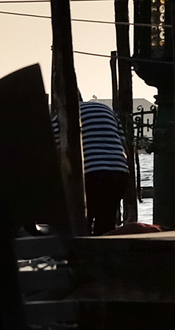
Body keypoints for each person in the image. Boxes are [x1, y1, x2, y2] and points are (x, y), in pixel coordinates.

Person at [54, 99, 132, 234]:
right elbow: (125, 148)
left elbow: (56, 155)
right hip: (118, 171)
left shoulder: (59, 118)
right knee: (106, 224)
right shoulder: (108, 111)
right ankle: (104, 252)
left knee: (81, 224)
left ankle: (83, 253)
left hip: (88, 174)